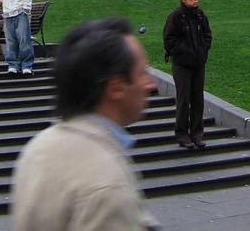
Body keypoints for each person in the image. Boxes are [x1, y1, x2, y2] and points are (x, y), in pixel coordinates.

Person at [10, 18, 158, 231]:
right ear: (116, 87)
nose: (150, 85)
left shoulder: (38, 148)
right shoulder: (107, 187)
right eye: (142, 72)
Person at [163, 0, 213, 149]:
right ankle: (182, 134)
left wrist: (203, 50)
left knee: (198, 99)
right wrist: (183, 52)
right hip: (182, 65)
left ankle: (197, 134)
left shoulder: (200, 16)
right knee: (184, 100)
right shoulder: (175, 17)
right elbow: (169, 40)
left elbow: (207, 35)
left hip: (198, 64)